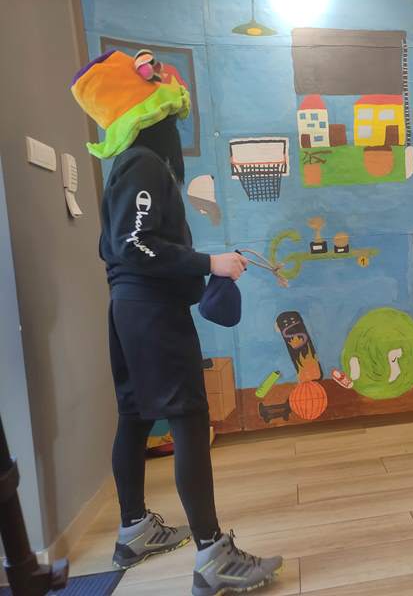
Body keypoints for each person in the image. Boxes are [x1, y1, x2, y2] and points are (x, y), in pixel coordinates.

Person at [71, 49, 283, 595]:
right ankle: (213, 557)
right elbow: (135, 243)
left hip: (128, 309)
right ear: (154, 116)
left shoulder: (127, 166)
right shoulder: (144, 163)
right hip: (150, 312)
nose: (176, 129)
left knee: (135, 415)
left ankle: (134, 529)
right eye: (171, 117)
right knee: (189, 418)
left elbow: (125, 245)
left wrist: (198, 264)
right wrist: (210, 263)